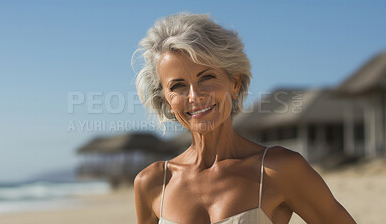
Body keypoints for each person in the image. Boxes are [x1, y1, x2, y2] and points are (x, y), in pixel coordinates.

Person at [133, 12, 356, 224]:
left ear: (235, 83)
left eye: (207, 77)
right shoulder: (152, 182)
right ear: (165, 100)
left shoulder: (279, 169)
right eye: (178, 86)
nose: (194, 96)